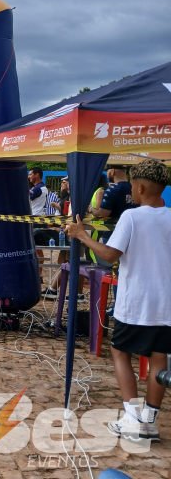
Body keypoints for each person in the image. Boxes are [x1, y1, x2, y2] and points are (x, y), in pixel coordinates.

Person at [65, 159, 171, 442]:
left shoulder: (132, 217)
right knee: (159, 356)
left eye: (133, 187)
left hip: (137, 301)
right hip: (166, 304)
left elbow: (110, 254)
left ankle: (133, 418)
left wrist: (82, 235)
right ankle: (149, 421)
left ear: (140, 187)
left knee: (120, 351)